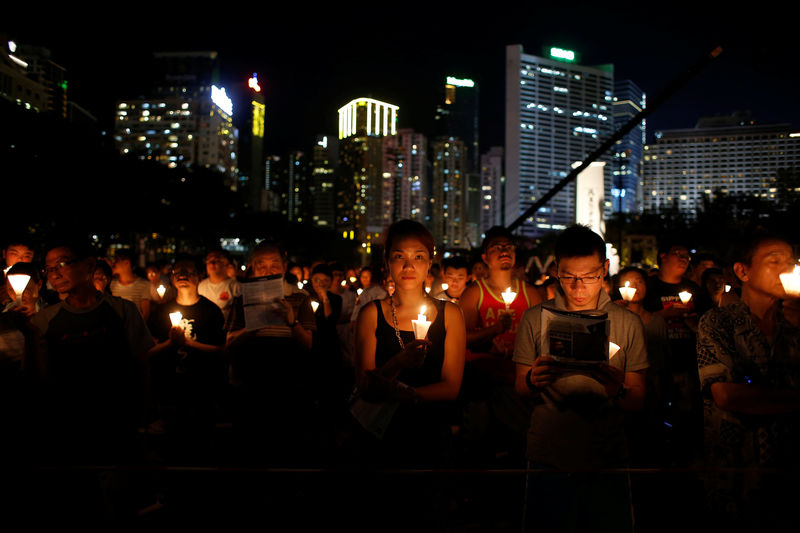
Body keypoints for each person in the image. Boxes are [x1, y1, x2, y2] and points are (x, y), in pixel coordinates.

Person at [514, 225, 648, 533]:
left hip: (607, 453)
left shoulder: (627, 322)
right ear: (555, 271)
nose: (578, 287)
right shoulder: (536, 318)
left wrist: (618, 389)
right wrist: (534, 380)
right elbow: (520, 386)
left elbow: (638, 398)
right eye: (568, 276)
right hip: (548, 451)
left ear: (604, 270)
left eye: (588, 276)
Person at [696, 234, 800, 529]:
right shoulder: (718, 322)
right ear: (743, 272)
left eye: (791, 262)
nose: (787, 269)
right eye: (774, 261)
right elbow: (728, 396)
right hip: (737, 471)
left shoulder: (794, 323)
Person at [32, 240, 154, 465]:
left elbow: (142, 365)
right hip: (68, 425)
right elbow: (42, 378)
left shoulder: (122, 310)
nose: (55, 274)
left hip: (117, 422)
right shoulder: (44, 321)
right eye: (49, 269)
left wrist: (143, 415)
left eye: (62, 264)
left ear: (89, 265)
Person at [354, 219, 465, 465]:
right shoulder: (371, 313)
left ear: (429, 264)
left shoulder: (451, 315)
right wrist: (399, 361)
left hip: (431, 432)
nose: (408, 266)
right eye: (399, 256)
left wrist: (403, 396)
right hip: (380, 436)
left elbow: (451, 387)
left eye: (418, 257)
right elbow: (364, 386)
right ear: (387, 262)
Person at [147, 255, 226, 456]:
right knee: (172, 447)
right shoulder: (161, 311)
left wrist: (189, 343)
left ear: (199, 277)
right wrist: (170, 343)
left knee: (202, 445)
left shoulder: (211, 311)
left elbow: (221, 350)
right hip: (169, 389)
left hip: (203, 388)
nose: (182, 276)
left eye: (188, 272)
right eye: (178, 272)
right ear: (172, 278)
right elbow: (148, 351)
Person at [643, 241, 703, 463]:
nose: (683, 259)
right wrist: (661, 316)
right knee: (655, 413)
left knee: (685, 413)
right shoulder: (649, 287)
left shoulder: (694, 289)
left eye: (687, 256)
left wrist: (693, 322)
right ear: (663, 256)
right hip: (655, 361)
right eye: (678, 254)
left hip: (685, 360)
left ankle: (684, 455)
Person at [197, 249, 240, 321]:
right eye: (209, 261)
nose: (212, 264)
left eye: (217, 260)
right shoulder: (201, 286)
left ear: (226, 264)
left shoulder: (235, 286)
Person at [110, 250, 151, 321]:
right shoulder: (111, 284)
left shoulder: (143, 284)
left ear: (126, 262)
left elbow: (145, 313)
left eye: (116, 260)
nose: (113, 264)